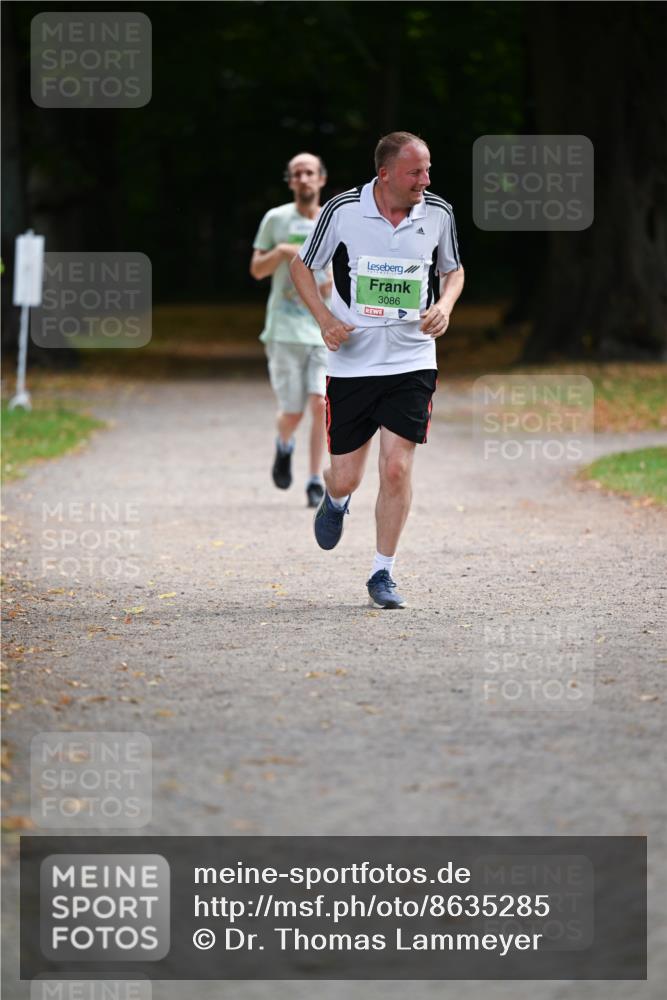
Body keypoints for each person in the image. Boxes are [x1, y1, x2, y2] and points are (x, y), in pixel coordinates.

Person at [290, 131, 464, 608]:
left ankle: (381, 573)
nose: (425, 180)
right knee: (346, 475)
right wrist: (325, 320)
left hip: (412, 358)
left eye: (428, 170)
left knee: (395, 466)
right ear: (384, 173)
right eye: (415, 172)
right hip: (353, 361)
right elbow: (302, 267)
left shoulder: (438, 213)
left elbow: (453, 269)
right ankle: (337, 498)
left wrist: (445, 304)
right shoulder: (344, 210)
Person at [250, 152, 332, 508]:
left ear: (321, 179)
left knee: (319, 405)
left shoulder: (333, 219)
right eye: (297, 173)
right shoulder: (276, 219)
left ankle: (315, 479)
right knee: (294, 411)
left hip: (322, 328)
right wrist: (282, 252)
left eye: (309, 172)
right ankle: (284, 444)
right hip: (283, 329)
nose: (303, 178)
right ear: (290, 181)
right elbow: (256, 270)